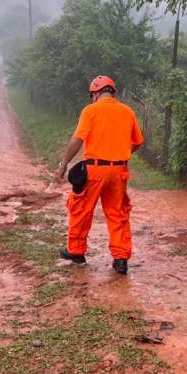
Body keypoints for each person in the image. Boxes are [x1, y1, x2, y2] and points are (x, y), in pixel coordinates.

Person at [56, 75, 144, 274]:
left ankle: (76, 252)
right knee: (118, 214)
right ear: (112, 92)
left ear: (95, 93)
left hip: (95, 170)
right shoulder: (127, 111)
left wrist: (63, 165)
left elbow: (77, 139)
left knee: (81, 210)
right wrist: (122, 153)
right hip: (119, 170)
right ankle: (120, 259)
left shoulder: (91, 110)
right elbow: (138, 142)